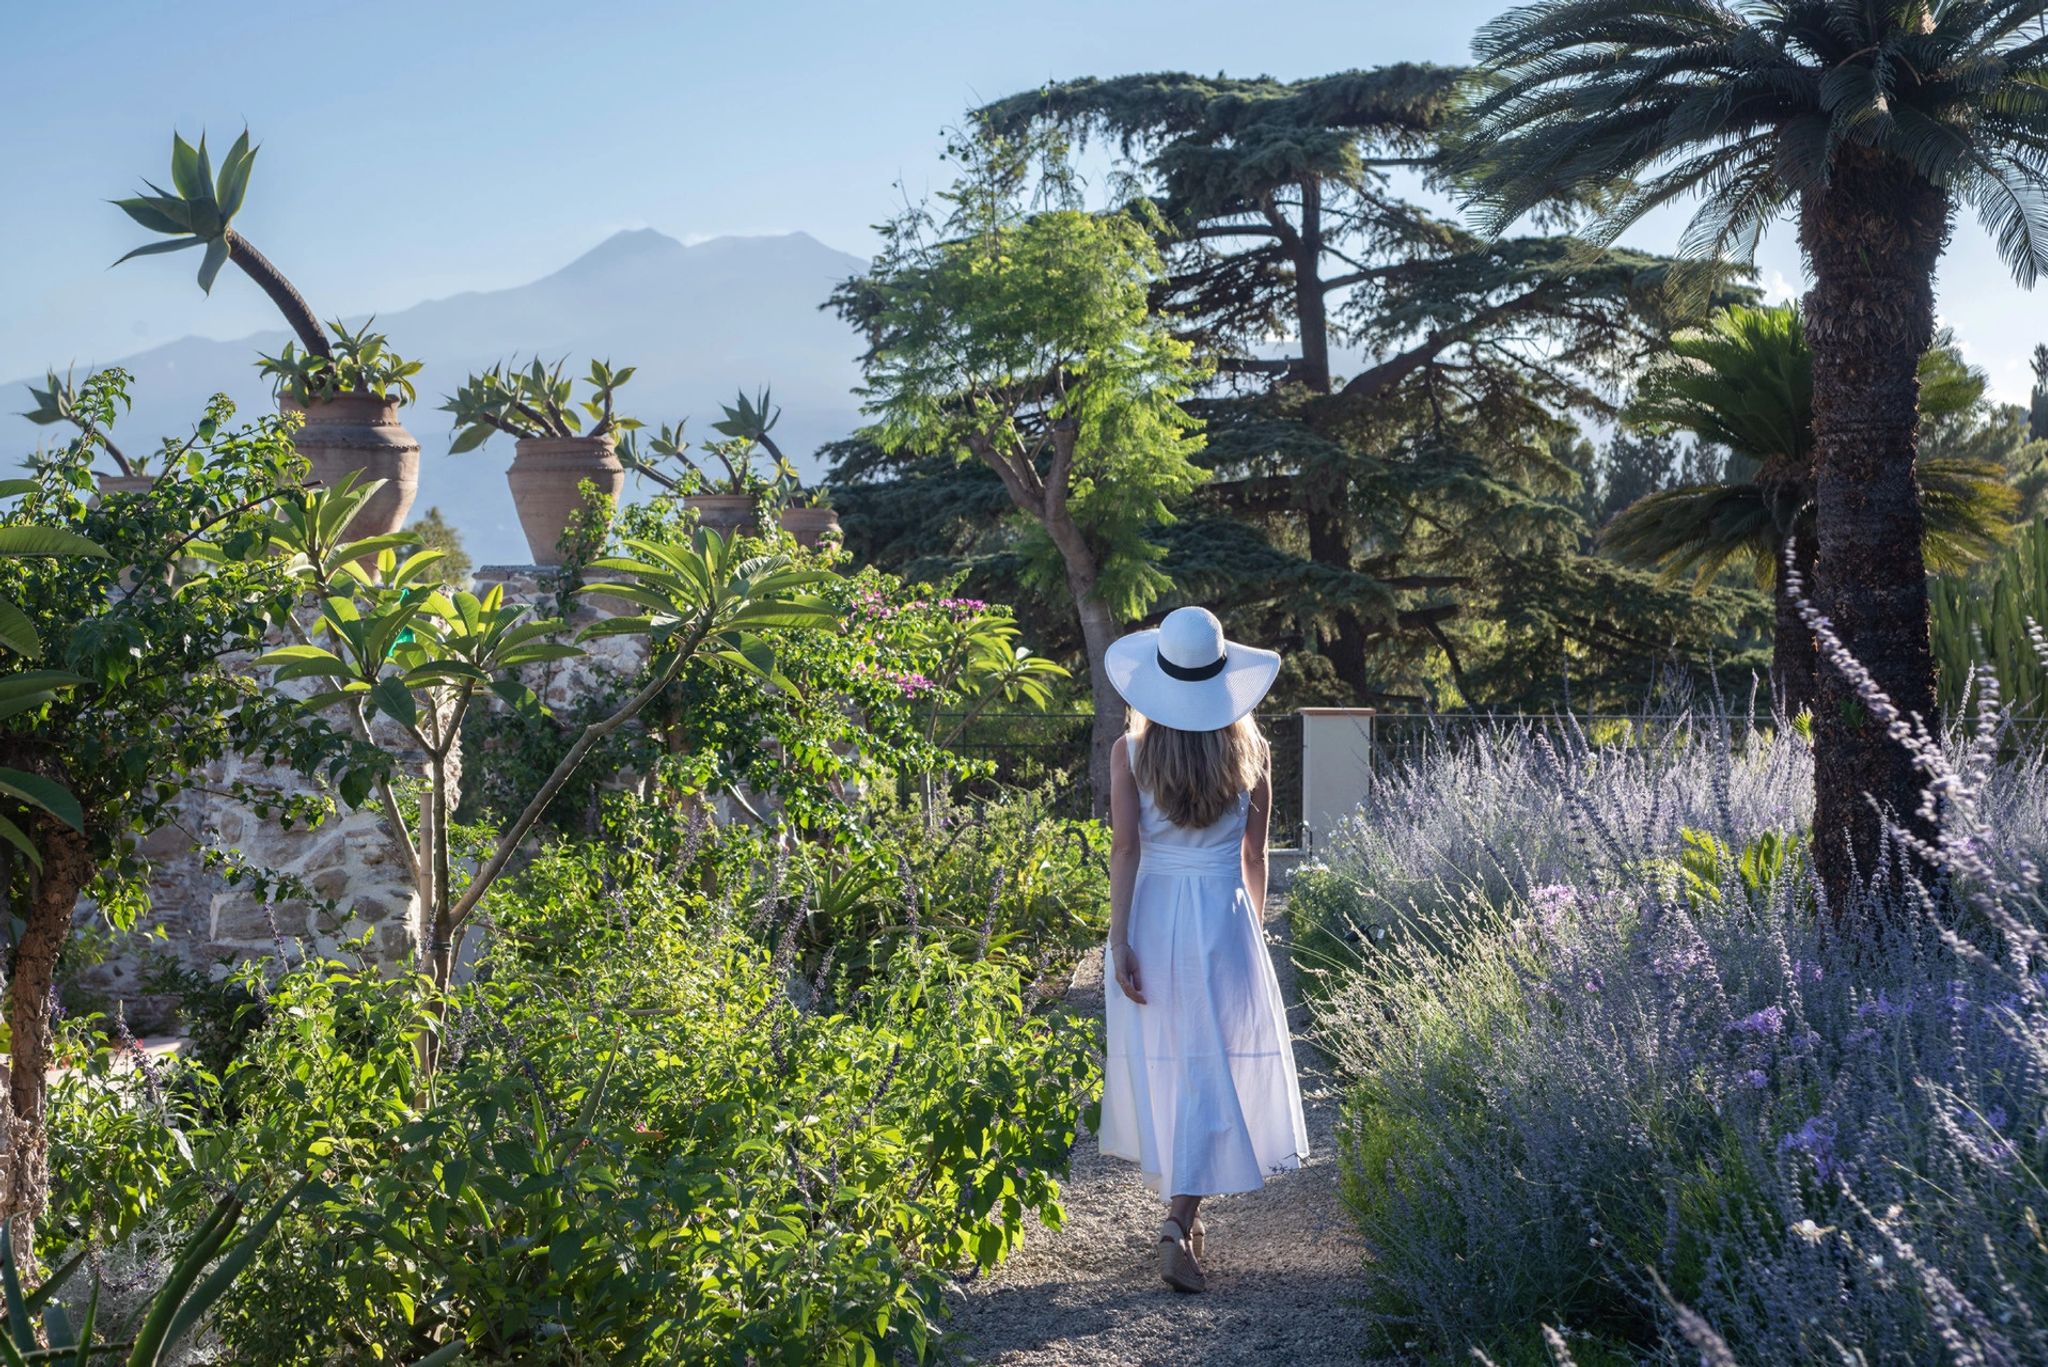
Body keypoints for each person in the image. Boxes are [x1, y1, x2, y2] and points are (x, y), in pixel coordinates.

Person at [1097, 606, 1309, 1295]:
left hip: (1155, 915)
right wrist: (1253, 928)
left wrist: (1119, 938)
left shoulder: (1129, 754)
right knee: (1215, 1065)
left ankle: (1182, 1218)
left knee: (1179, 1065)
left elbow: (1125, 849)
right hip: (1224, 917)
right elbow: (1256, 855)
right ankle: (1178, 1221)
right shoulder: (1252, 753)